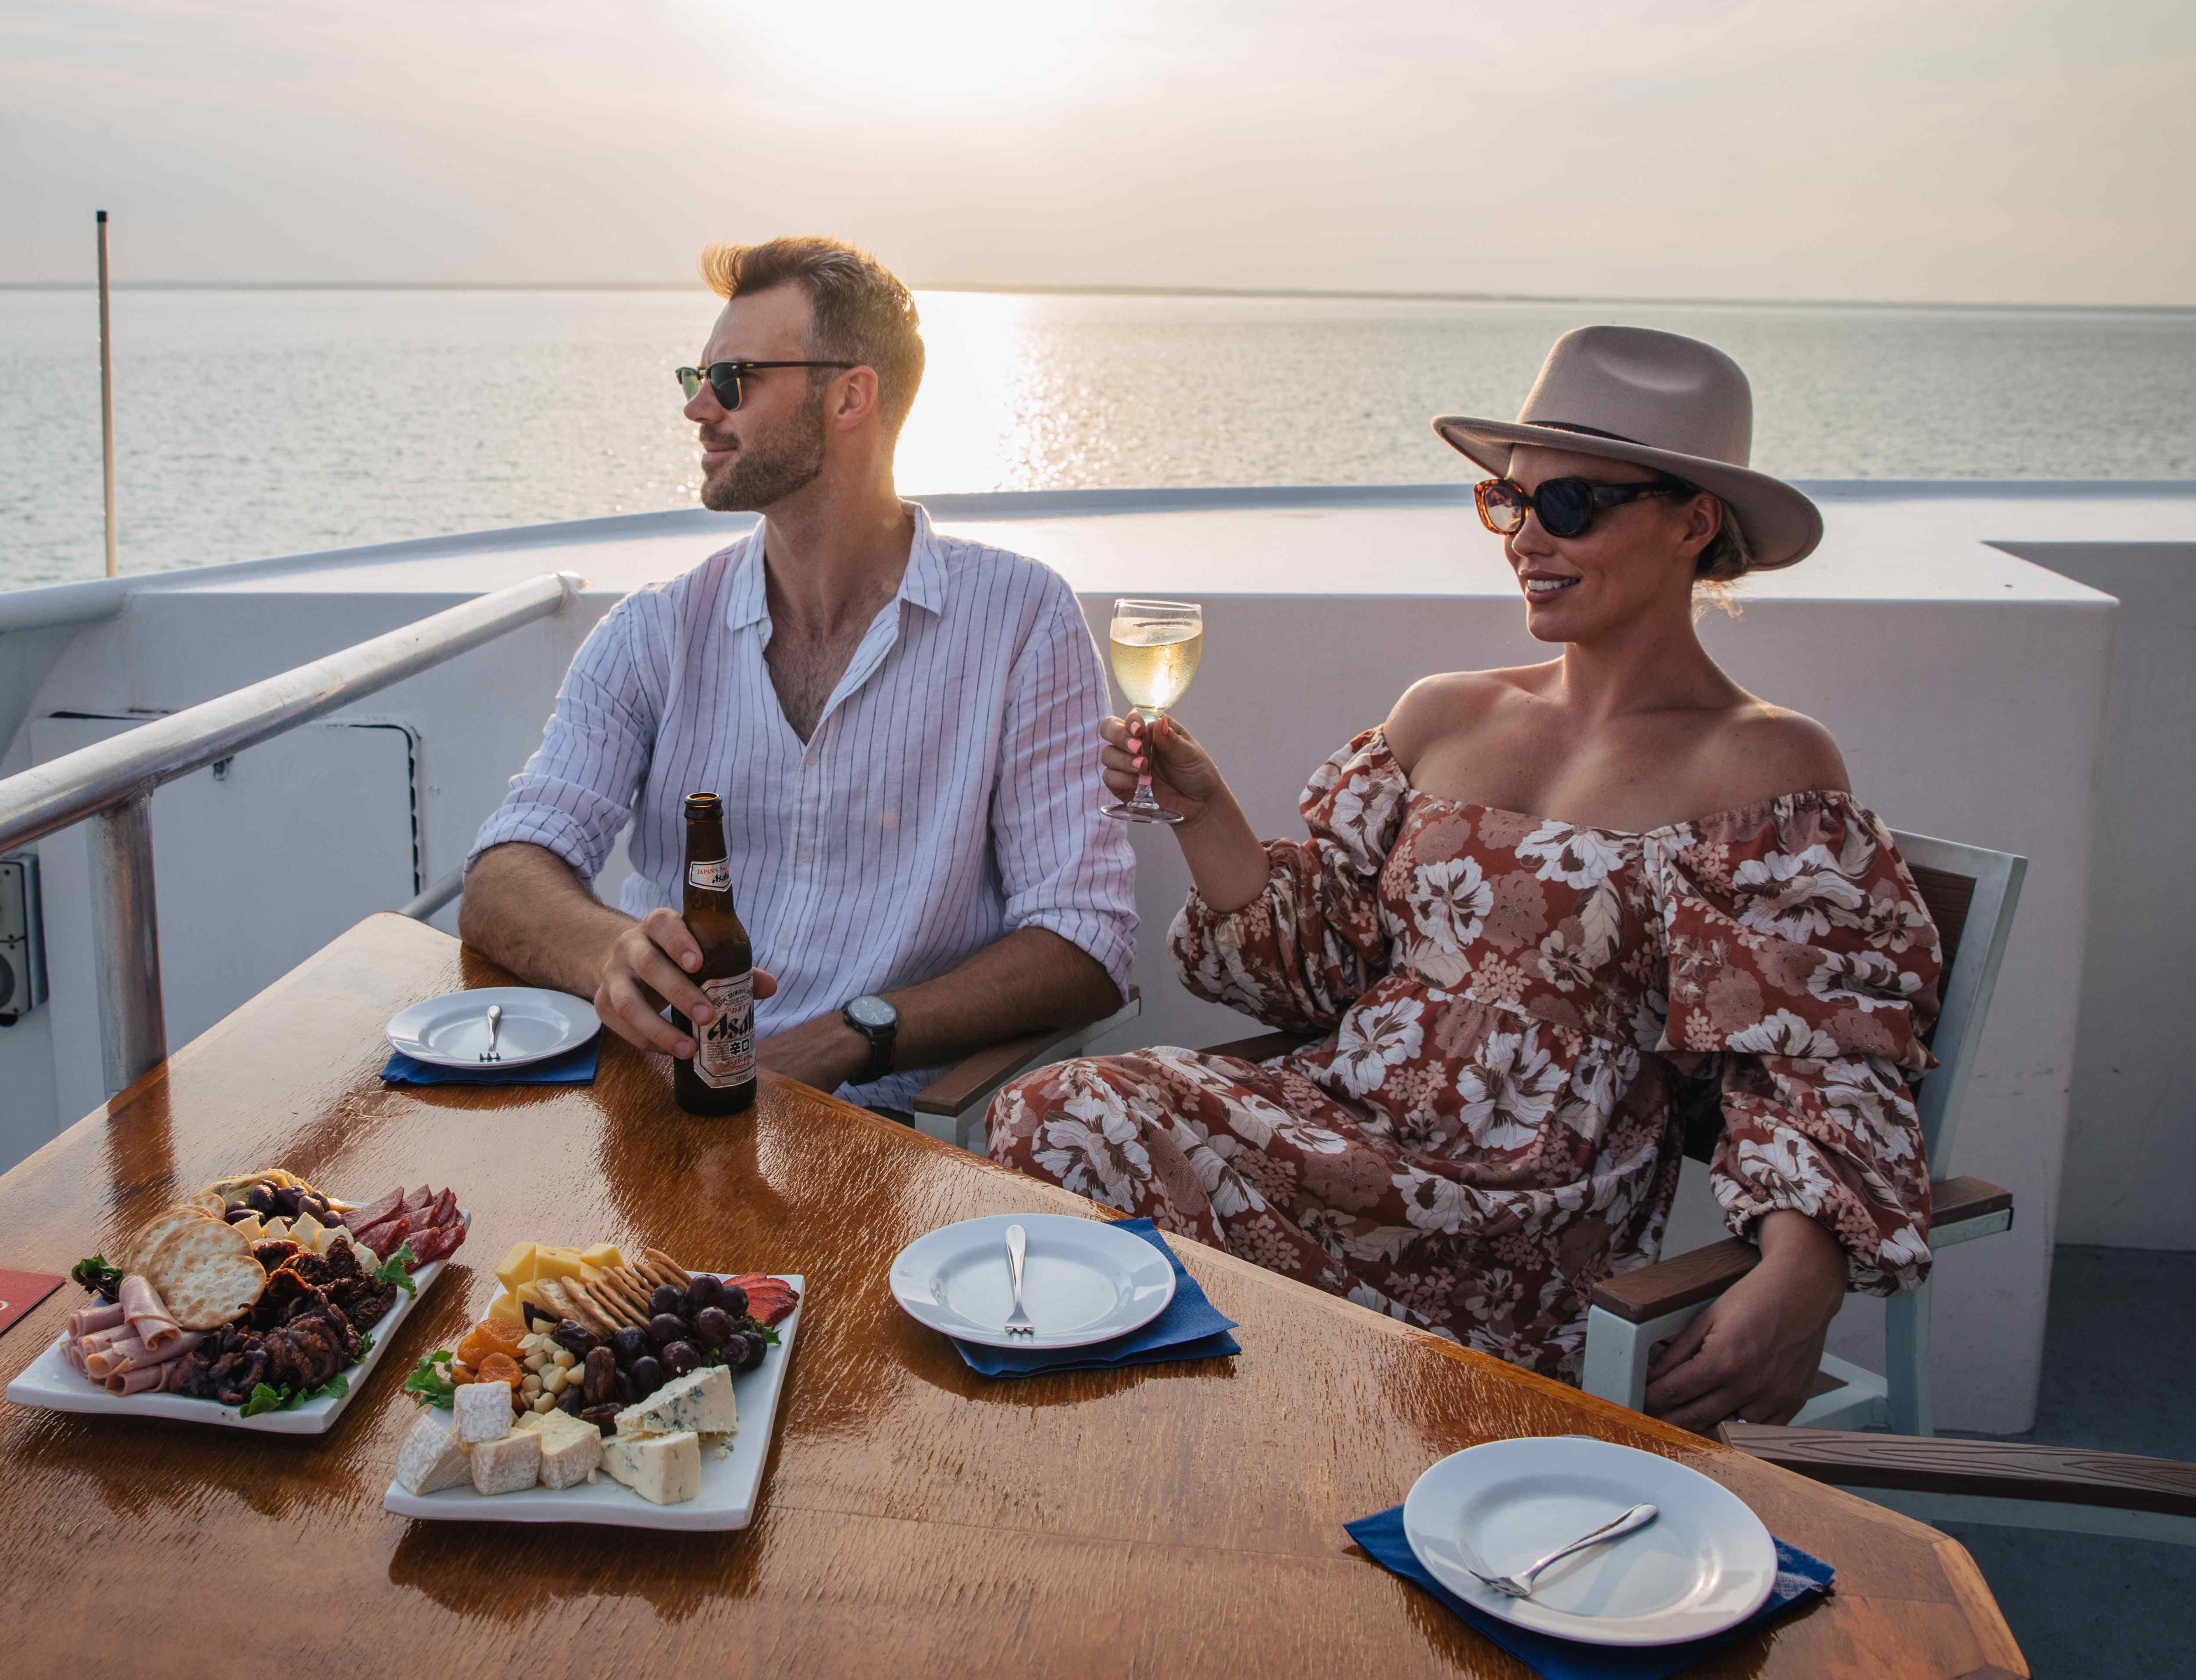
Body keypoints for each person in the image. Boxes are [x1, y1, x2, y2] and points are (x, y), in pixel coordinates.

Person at [987, 326, 1941, 1432]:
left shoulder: (1767, 770)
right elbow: (1317, 970)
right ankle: (1163, 1486)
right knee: (1058, 1109)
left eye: (1571, 505)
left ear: (1693, 522)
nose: (1528, 537)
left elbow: (1819, 1064)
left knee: (1115, 1246)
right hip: (1337, 1134)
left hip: (1524, 1225)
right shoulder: (1446, 712)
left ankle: (1217, 1464)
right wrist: (1204, 811)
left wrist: (1800, 1274)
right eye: (1508, 501)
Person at [460, 236, 1135, 1114]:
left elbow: (1085, 941)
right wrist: (609, 953)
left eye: (734, 380)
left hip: (888, 1133)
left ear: (850, 395)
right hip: (664, 1104)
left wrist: (851, 1034)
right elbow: (504, 875)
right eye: (692, 379)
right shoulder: (654, 630)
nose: (700, 409)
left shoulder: (1019, 619)